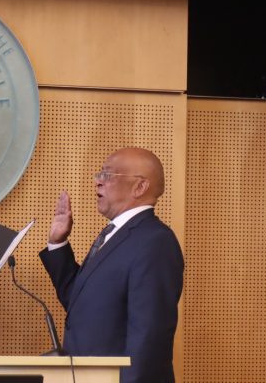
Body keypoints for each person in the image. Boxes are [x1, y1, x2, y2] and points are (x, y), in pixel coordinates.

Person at [39, 147, 184, 383]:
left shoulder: (155, 241)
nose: (97, 181)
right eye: (99, 174)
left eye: (107, 175)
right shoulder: (116, 235)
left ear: (140, 186)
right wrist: (58, 243)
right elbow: (80, 301)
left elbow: (149, 334)